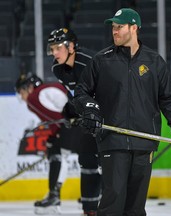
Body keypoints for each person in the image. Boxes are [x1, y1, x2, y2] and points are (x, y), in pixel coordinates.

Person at [72, 8, 171, 216]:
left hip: (144, 142)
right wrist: (90, 109)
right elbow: (80, 93)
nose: (114, 31)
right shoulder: (101, 60)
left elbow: (168, 102)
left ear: (134, 28)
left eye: (119, 27)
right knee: (112, 204)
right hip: (112, 141)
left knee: (135, 208)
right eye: (113, 27)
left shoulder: (154, 62)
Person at [46, 28, 101, 216]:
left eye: (57, 48)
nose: (54, 53)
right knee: (86, 158)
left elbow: (109, 91)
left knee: (108, 161)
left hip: (108, 114)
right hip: (90, 117)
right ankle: (90, 209)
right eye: (51, 49)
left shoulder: (89, 62)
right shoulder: (57, 68)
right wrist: (71, 109)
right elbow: (76, 93)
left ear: (70, 47)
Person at [15, 73, 71, 214]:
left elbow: (56, 118)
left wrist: (57, 136)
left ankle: (54, 197)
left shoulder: (34, 98)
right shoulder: (46, 89)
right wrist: (53, 136)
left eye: (21, 92)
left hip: (75, 123)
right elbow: (55, 118)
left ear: (29, 87)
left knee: (57, 154)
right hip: (80, 118)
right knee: (91, 159)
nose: (22, 97)